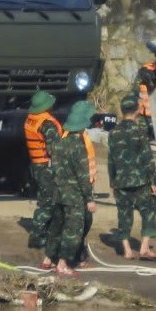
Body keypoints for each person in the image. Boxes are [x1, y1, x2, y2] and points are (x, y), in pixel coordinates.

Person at [44, 101, 98, 275]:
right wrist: (89, 199)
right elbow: (83, 176)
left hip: (58, 192)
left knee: (56, 226)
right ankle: (62, 263)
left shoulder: (58, 143)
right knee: (73, 230)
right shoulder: (78, 146)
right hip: (74, 196)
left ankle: (49, 258)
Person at [108, 93, 156, 261]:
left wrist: (112, 182)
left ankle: (127, 250)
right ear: (137, 110)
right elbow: (147, 158)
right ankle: (144, 248)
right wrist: (153, 181)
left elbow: (111, 160)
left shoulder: (113, 132)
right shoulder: (140, 131)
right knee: (148, 212)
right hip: (140, 181)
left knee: (124, 215)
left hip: (121, 181)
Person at [23, 90, 64, 265]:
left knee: (44, 201)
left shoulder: (31, 119)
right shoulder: (47, 123)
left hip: (36, 166)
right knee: (48, 203)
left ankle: (39, 234)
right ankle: (38, 237)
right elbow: (53, 150)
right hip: (47, 167)